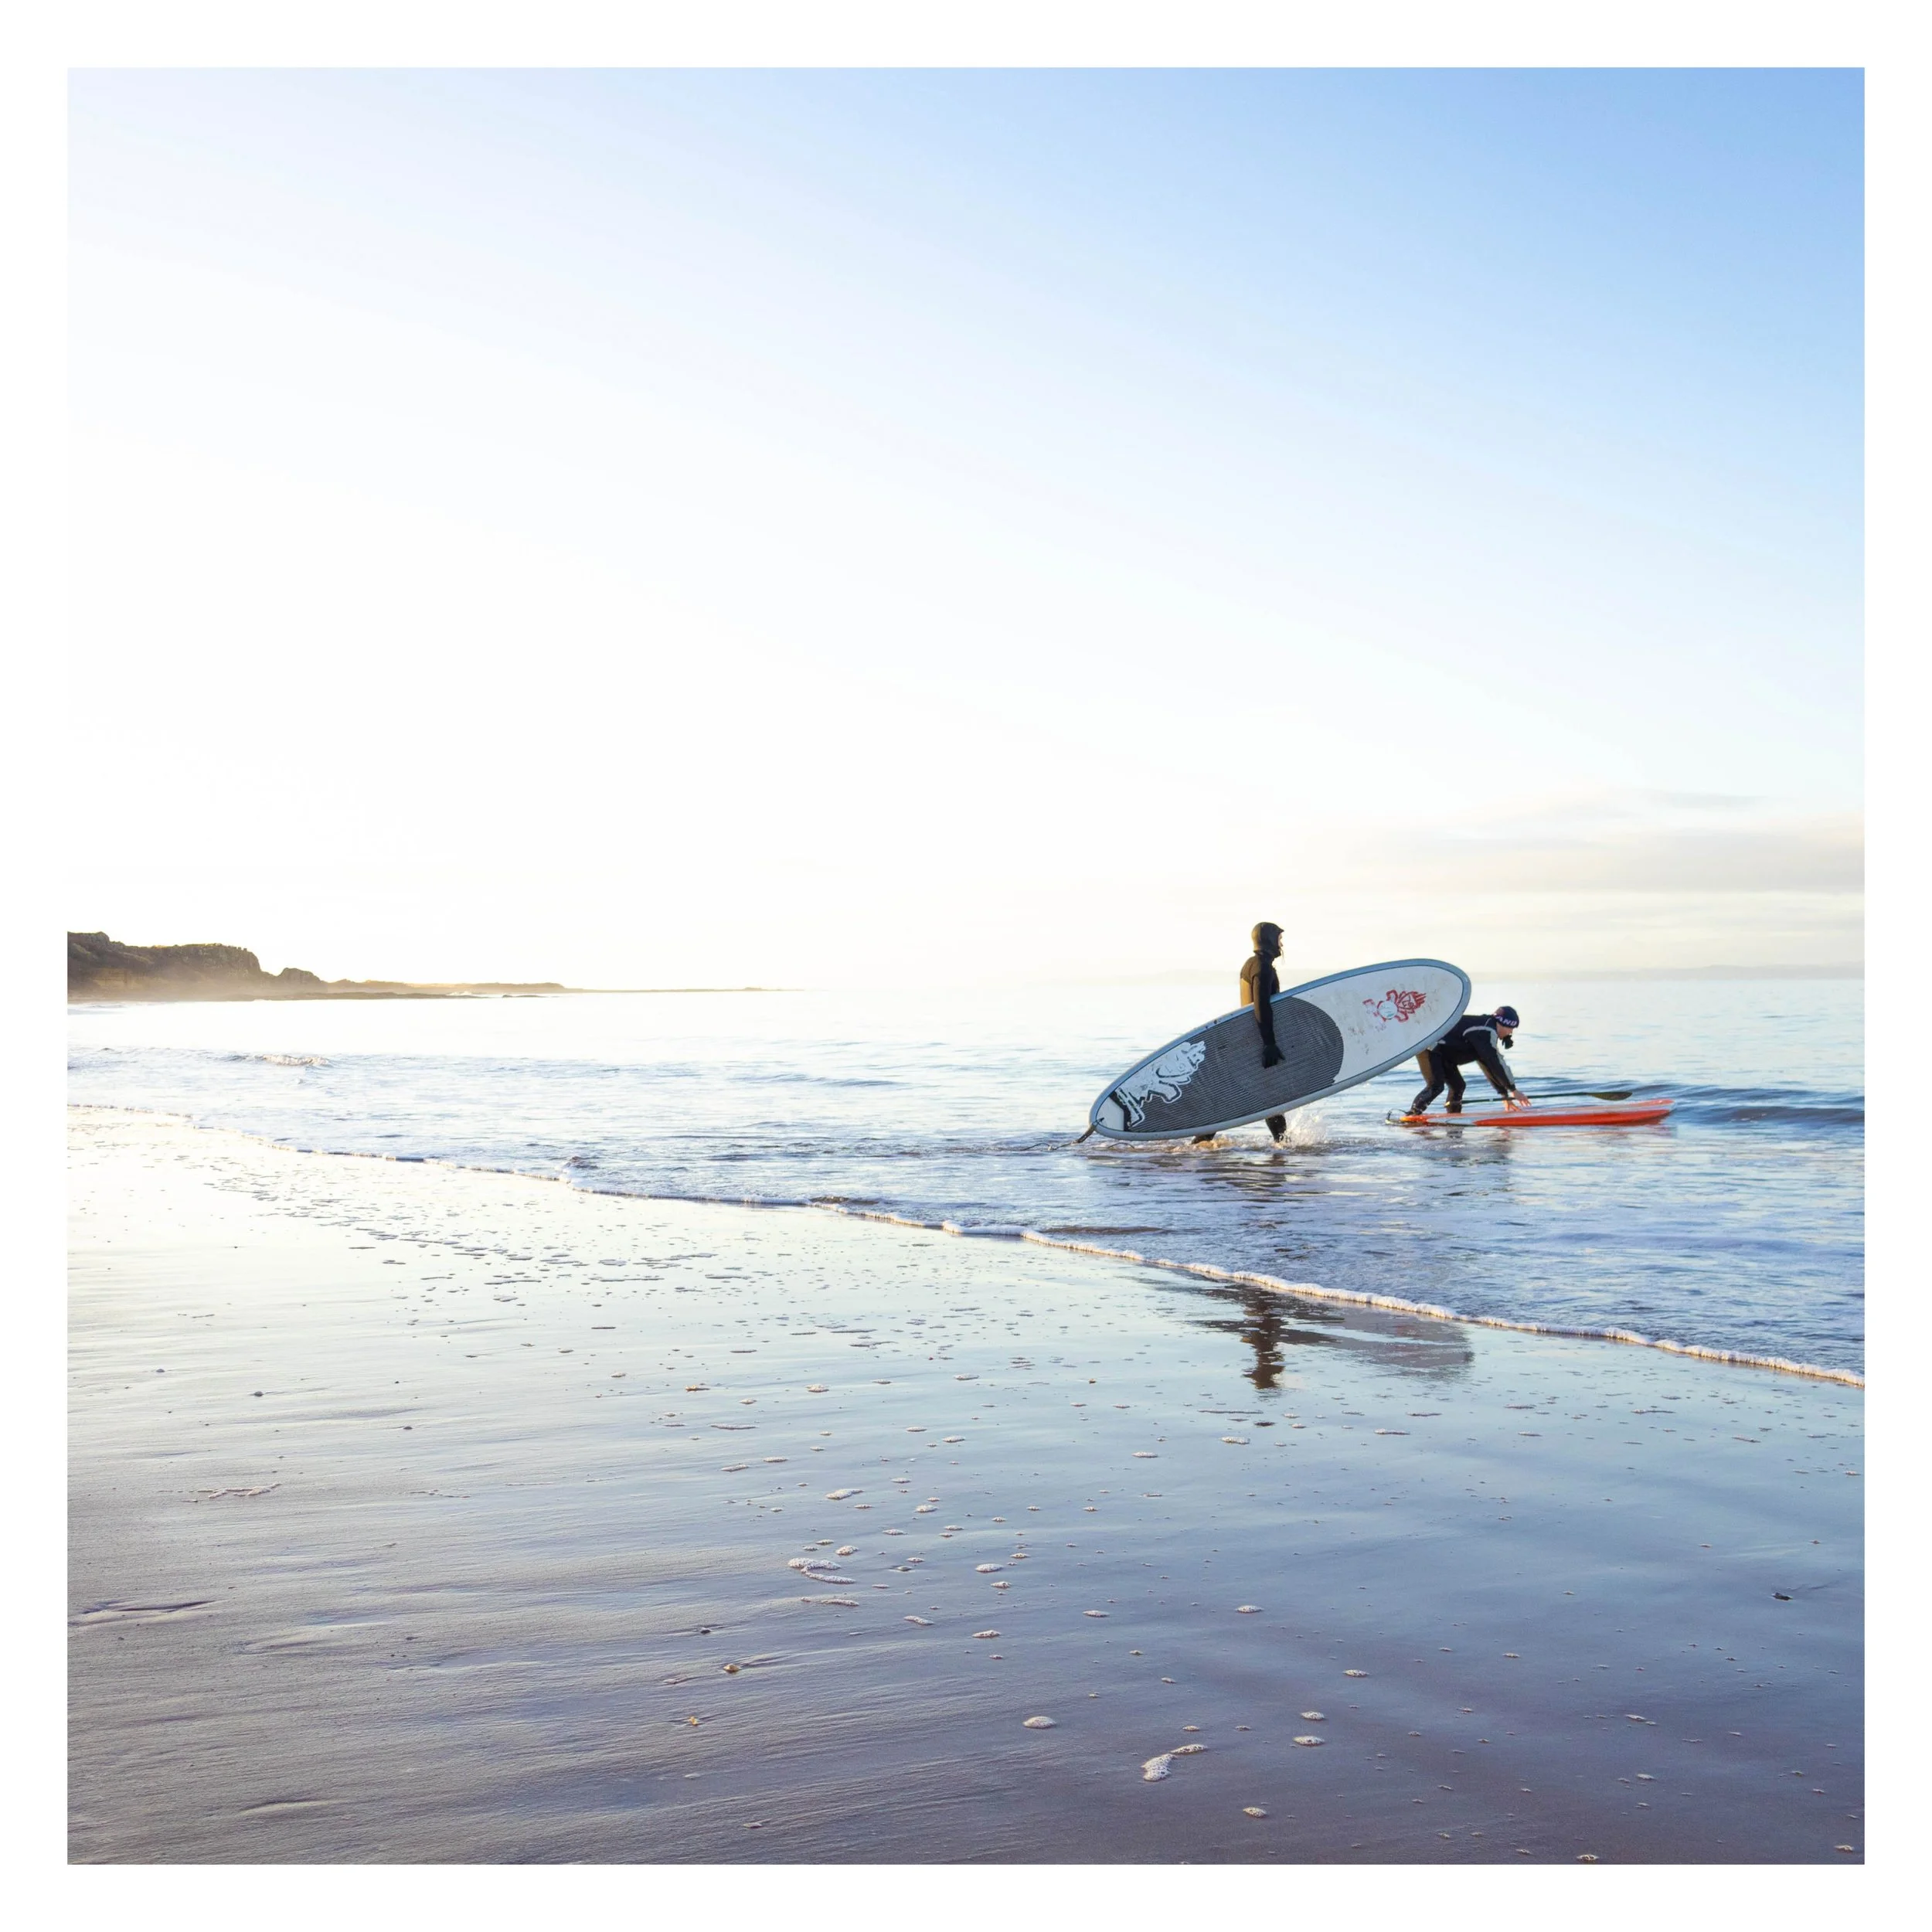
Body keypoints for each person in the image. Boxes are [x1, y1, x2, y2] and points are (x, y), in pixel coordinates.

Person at [1198, 921, 1290, 1143]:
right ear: (1268, 940)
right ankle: (1283, 1146)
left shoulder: (1251, 963)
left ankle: (1283, 1147)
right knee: (1264, 1098)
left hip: (1247, 1038)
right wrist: (1269, 1043)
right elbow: (1261, 1006)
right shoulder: (1262, 966)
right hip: (1256, 1041)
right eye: (1278, 939)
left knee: (1268, 1099)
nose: (1282, 944)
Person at [1407, 1005, 1529, 1117]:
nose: (1511, 1032)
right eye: (1511, 1028)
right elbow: (1495, 1062)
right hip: (1429, 1048)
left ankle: (1453, 1118)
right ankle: (1412, 1115)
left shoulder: (1486, 1030)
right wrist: (1513, 1090)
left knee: (1458, 1086)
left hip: (1444, 1053)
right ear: (1502, 1024)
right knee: (1436, 1086)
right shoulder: (1485, 1031)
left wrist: (1504, 1094)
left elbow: (1487, 1063)